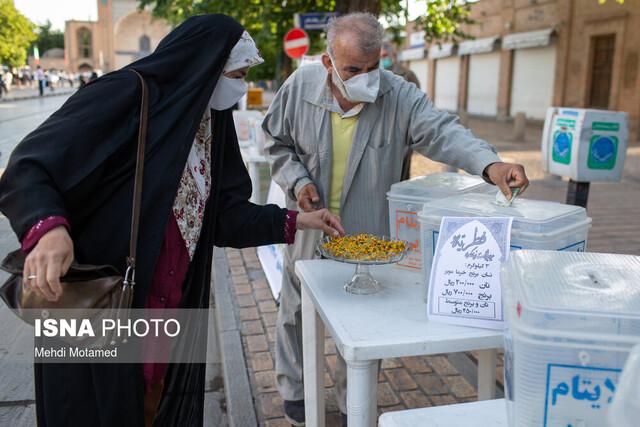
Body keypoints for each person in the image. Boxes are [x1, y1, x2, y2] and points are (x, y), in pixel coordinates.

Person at [0, 14, 344, 427]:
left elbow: (222, 216)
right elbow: (28, 166)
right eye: (237, 73)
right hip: (97, 304)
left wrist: (295, 222)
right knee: (87, 408)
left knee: (149, 407)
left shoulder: (211, 124)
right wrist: (49, 228)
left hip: (164, 311)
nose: (241, 84)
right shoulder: (126, 93)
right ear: (204, 64)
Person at [263, 12, 529, 426]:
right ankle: (296, 391)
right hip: (309, 223)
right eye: (354, 69)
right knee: (295, 309)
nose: (366, 78)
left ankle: (352, 398)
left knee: (362, 321)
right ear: (327, 61)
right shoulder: (299, 88)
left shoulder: (399, 95)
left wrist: (489, 164)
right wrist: (298, 182)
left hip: (366, 232)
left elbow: (444, 131)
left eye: (374, 68)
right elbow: (275, 142)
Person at [381, 41, 421, 180]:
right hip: (381, 130)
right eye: (380, 56)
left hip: (403, 131)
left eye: (385, 56)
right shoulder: (373, 73)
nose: (382, 59)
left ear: (394, 55)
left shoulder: (408, 75)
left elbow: (416, 102)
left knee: (402, 173)